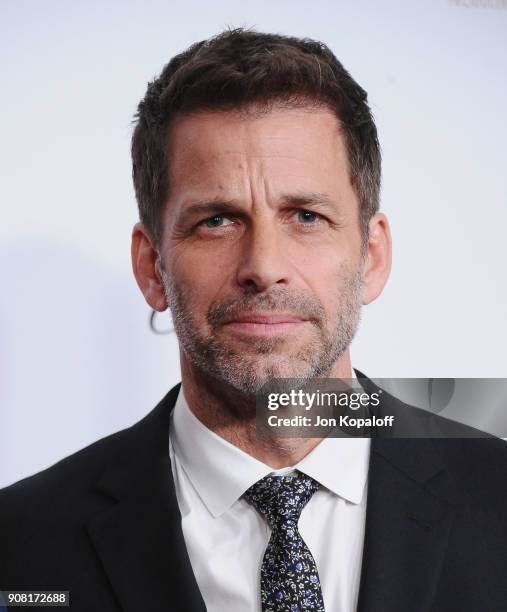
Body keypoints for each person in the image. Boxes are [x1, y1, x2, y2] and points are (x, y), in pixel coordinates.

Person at [1, 28, 506, 612]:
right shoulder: (21, 548)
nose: (263, 268)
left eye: (306, 216)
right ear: (151, 267)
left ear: (372, 256)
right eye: (217, 221)